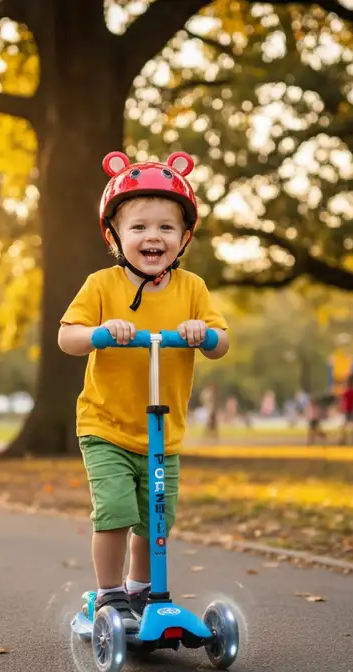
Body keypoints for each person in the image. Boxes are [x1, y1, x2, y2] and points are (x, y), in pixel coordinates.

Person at [58, 150, 229, 631]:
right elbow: (66, 337)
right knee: (114, 511)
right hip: (106, 426)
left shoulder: (192, 289)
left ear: (184, 237)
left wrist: (203, 332)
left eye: (165, 228)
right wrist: (98, 333)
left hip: (162, 431)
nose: (152, 237)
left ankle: (142, 592)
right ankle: (110, 597)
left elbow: (221, 342)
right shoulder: (100, 285)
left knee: (155, 521)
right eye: (138, 227)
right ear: (115, 235)